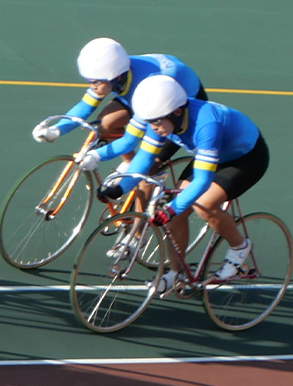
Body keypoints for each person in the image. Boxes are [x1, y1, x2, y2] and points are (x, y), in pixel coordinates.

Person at [80, 75, 269, 290]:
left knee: (203, 204)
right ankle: (176, 273)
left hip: (245, 159)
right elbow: (144, 158)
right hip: (213, 155)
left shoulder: (206, 124)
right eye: (150, 122)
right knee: (176, 213)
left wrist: (172, 209)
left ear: (177, 112)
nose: (154, 127)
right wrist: (120, 187)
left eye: (158, 122)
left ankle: (239, 247)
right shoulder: (159, 119)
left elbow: (203, 180)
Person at [33, 38, 203, 152]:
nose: (92, 86)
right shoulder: (112, 73)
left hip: (171, 104)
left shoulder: (150, 83)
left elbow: (135, 135)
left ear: (115, 77)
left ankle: (141, 205)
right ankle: (128, 162)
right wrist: (56, 130)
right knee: (106, 123)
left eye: (96, 82)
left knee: (147, 169)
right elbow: (84, 108)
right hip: (140, 93)